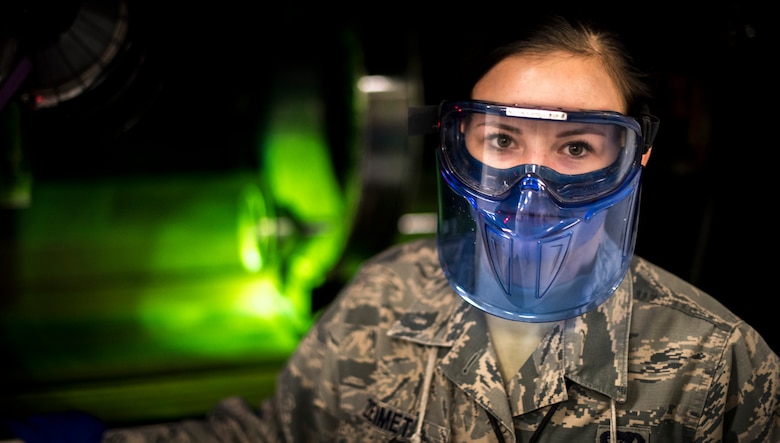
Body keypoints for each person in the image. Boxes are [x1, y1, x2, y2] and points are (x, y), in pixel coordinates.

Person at [49, 13, 780, 443]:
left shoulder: (722, 366)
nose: (533, 188)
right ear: (454, 145)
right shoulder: (385, 298)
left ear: (637, 155)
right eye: (501, 142)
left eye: (577, 147)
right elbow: (279, 435)